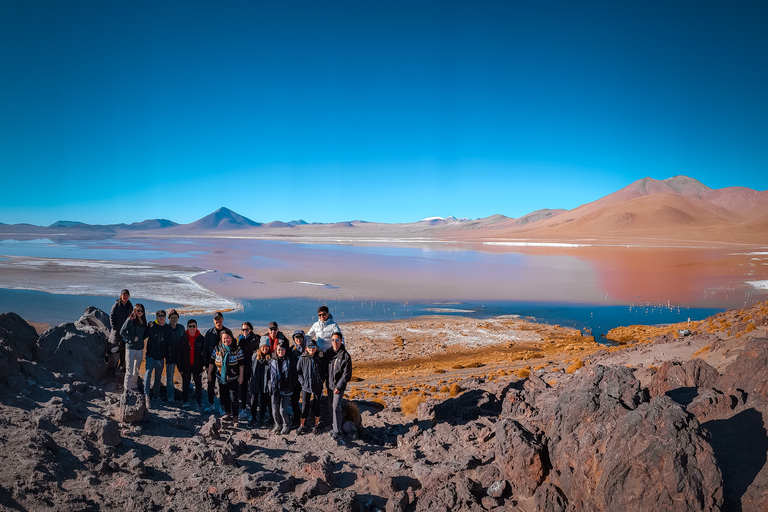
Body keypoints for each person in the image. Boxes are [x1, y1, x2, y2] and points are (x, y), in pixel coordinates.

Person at [208, 330, 244, 425]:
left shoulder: (237, 349)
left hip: (233, 378)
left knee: (234, 398)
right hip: (221, 378)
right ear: (221, 339)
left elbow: (241, 364)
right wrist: (209, 374)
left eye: (228, 337)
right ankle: (228, 413)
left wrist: (241, 376)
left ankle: (235, 417)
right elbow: (212, 362)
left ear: (231, 337)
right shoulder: (217, 348)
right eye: (224, 338)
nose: (226, 340)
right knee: (224, 396)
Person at [306, 305, 341, 402]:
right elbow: (308, 336)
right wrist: (308, 346)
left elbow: (339, 338)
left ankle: (332, 398)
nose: (322, 316)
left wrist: (340, 351)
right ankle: (318, 398)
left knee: (330, 377)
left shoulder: (333, 325)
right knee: (319, 376)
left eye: (324, 314)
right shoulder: (315, 325)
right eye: (320, 315)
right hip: (319, 355)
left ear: (328, 314)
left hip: (330, 355)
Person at [203, 312, 233, 412]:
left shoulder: (227, 331)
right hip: (211, 364)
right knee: (210, 383)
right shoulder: (209, 333)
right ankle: (211, 404)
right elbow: (205, 349)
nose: (218, 321)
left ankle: (222, 406)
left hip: (223, 365)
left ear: (223, 320)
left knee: (223, 385)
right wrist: (206, 365)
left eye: (220, 319)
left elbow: (232, 347)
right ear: (213, 321)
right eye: (216, 319)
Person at [296, 339, 325, 435]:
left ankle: (316, 425)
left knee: (317, 405)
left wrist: (321, 380)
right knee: (304, 406)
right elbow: (298, 372)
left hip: (317, 386)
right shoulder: (302, 358)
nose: (312, 349)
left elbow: (324, 371)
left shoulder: (320, 359)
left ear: (316, 348)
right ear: (306, 348)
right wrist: (302, 382)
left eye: (313, 347)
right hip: (306, 386)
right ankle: (302, 425)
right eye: (310, 347)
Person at [268, 339, 296, 435]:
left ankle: (286, 425)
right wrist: (269, 385)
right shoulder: (272, 360)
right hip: (275, 388)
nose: (281, 351)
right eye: (279, 349)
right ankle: (277, 424)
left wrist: (292, 384)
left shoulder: (290, 360)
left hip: (286, 388)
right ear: (276, 349)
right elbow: (268, 374)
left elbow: (294, 374)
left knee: (283, 409)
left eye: (283, 349)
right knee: (275, 408)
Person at [328, 331, 352, 442]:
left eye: (337, 340)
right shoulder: (329, 352)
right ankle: (335, 427)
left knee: (336, 407)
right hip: (330, 385)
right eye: (333, 340)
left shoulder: (345, 356)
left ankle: (337, 431)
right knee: (332, 407)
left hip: (338, 387)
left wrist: (339, 386)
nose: (335, 342)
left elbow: (346, 374)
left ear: (341, 341)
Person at [144, 309, 171, 407]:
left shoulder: (167, 328)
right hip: (150, 356)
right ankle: (146, 396)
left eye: (163, 316)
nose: (161, 318)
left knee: (158, 378)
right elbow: (144, 335)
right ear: (156, 317)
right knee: (147, 376)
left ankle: (156, 396)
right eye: (159, 316)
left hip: (160, 358)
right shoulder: (152, 326)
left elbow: (169, 344)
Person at [178, 318, 205, 410]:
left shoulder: (201, 339)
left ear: (196, 327)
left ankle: (199, 402)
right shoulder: (183, 338)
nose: (192, 328)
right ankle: (185, 401)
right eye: (190, 326)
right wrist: (180, 368)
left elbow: (204, 354)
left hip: (197, 367)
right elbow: (179, 354)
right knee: (185, 384)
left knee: (198, 384)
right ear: (187, 327)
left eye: (193, 326)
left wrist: (203, 367)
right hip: (186, 366)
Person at [120, 303, 147, 392]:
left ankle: (134, 386)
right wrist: (131, 338)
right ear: (135, 311)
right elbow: (122, 331)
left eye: (141, 311)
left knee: (136, 369)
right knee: (129, 370)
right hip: (131, 348)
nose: (140, 312)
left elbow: (145, 334)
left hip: (140, 348)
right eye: (138, 310)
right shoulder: (130, 320)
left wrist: (151, 326)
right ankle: (127, 389)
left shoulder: (143, 321)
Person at [248, 336, 272, 428]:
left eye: (267, 346)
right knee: (253, 400)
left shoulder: (270, 358)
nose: (265, 348)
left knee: (263, 401)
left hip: (265, 382)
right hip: (255, 381)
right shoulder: (255, 356)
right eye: (263, 346)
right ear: (260, 346)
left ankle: (261, 418)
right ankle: (253, 417)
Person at [237, 321, 259, 421]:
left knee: (252, 388)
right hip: (242, 366)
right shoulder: (240, 339)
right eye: (243, 329)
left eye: (246, 329)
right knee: (243, 387)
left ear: (250, 329)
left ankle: (254, 408)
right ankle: (244, 409)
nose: (244, 331)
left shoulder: (254, 339)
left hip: (252, 367)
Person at [110, 289, 133, 371]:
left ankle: (122, 365)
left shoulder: (130, 306)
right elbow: (112, 316)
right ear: (121, 296)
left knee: (123, 348)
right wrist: (114, 327)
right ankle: (112, 366)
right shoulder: (116, 305)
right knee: (115, 347)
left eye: (127, 295)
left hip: (125, 331)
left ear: (129, 296)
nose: (125, 297)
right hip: (117, 331)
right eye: (124, 295)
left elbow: (132, 318)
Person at [165, 309, 185, 403]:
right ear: (168, 319)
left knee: (184, 375)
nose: (174, 319)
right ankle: (170, 396)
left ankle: (186, 392)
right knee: (170, 378)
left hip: (180, 356)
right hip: (170, 356)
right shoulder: (165, 328)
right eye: (172, 318)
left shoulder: (181, 328)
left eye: (175, 318)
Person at [289, 330, 306, 428]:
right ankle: (296, 419)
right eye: (296, 338)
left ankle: (304, 419)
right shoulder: (292, 350)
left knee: (304, 401)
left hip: (304, 380)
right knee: (294, 400)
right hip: (295, 380)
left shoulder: (307, 350)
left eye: (300, 337)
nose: (298, 339)